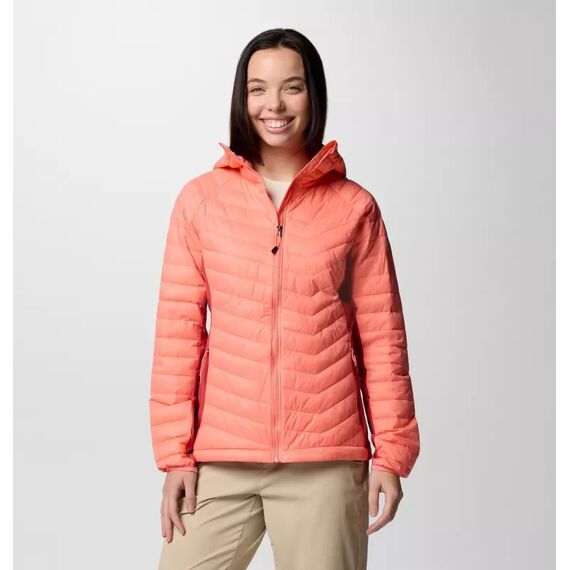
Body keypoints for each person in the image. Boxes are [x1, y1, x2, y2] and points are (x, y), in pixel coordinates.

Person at [149, 28, 420, 570]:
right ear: (241, 98)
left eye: (291, 87)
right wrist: (175, 455)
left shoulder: (354, 208)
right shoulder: (200, 201)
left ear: (313, 95)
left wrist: (391, 454)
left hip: (325, 462)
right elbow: (178, 335)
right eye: (258, 89)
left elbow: (383, 338)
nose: (273, 105)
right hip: (222, 458)